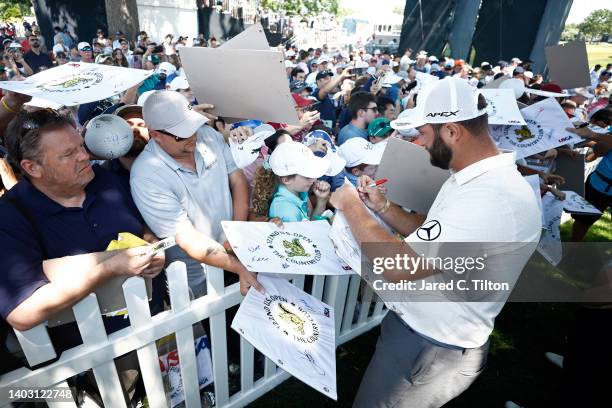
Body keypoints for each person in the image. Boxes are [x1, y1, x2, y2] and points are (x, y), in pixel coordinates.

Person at [330, 77, 541, 407]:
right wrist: (384, 207)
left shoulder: (487, 197)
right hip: (427, 334)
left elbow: (401, 266)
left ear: (452, 131)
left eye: (423, 133)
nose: (420, 143)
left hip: (432, 343)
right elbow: (433, 232)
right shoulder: (474, 179)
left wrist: (350, 206)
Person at [0, 109, 165, 357]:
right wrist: (110, 269)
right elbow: (22, 313)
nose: (85, 156)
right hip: (94, 358)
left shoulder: (105, 179)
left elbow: (141, 227)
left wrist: (154, 247)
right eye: (68, 154)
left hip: (159, 327)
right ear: (32, 167)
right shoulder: (10, 217)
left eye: (81, 145)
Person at [130, 91, 261, 298]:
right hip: (200, 276)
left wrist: (236, 233)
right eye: (180, 134)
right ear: (155, 134)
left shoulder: (207, 135)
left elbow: (237, 180)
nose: (192, 137)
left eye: (192, 126)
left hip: (239, 249)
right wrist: (236, 266)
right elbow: (186, 237)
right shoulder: (146, 176)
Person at [267, 140, 332, 222]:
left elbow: (311, 225)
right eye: (307, 176)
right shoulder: (286, 212)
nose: (314, 179)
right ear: (286, 180)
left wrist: (321, 201)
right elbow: (308, 233)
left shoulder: (299, 191)